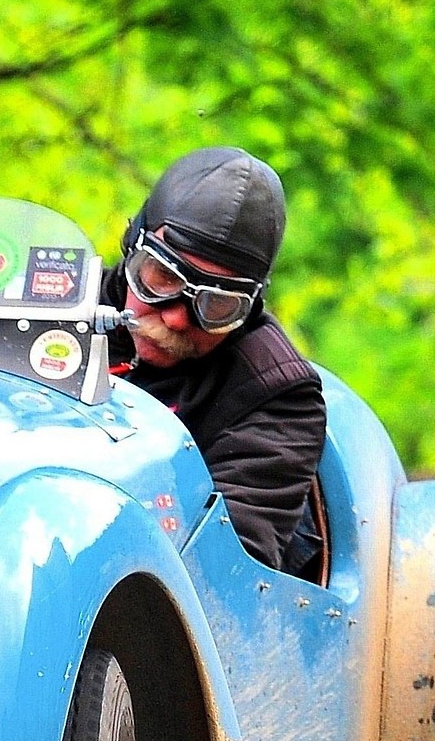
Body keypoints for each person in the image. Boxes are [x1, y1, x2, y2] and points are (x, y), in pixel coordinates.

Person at [101, 147, 326, 573]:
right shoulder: (41, 312)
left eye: (216, 306)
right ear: (132, 245)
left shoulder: (278, 396)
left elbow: (226, 573)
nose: (175, 318)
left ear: (252, 304)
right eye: (162, 277)